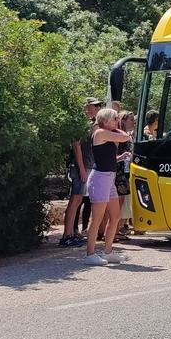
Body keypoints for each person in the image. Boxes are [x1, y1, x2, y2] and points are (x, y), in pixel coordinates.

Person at [83, 107, 131, 265]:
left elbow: (107, 157)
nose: (117, 121)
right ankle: (90, 254)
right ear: (105, 120)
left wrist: (120, 157)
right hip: (100, 179)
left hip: (109, 178)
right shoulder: (100, 132)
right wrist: (117, 128)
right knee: (97, 218)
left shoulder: (108, 134)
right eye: (114, 118)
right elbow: (125, 137)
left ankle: (108, 251)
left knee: (115, 216)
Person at [59, 97, 100, 247]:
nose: (96, 108)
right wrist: (82, 169)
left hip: (87, 167)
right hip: (79, 168)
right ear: (86, 107)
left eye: (97, 106)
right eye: (93, 106)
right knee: (74, 201)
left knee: (78, 201)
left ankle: (71, 234)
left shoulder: (91, 125)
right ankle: (66, 235)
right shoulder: (80, 125)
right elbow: (76, 146)